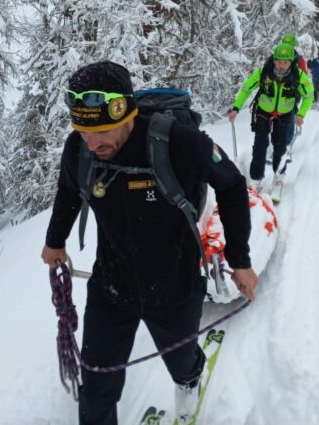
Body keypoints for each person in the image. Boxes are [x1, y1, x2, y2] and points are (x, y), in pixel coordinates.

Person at [41, 61, 258, 425]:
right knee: (95, 392)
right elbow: (68, 190)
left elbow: (233, 185)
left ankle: (190, 380)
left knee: (182, 362)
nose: (92, 143)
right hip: (111, 289)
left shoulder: (179, 143)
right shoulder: (79, 149)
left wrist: (240, 260)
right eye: (82, 131)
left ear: (128, 112)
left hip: (176, 288)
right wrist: (54, 240)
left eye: (102, 131)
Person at [228, 44, 314, 186]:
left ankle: (279, 175)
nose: (282, 65)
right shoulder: (264, 72)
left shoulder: (298, 75)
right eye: (279, 61)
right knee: (260, 145)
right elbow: (246, 88)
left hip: (285, 114)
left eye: (285, 62)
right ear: (274, 60)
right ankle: (256, 178)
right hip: (263, 112)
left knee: (280, 147)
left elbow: (309, 95)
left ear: (291, 62)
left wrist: (301, 114)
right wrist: (236, 108)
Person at [280, 34, 308, 146]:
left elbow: (304, 75)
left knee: (289, 114)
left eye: (289, 46)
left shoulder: (299, 59)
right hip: (280, 90)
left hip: (294, 90)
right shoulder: (277, 57)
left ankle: (286, 143)